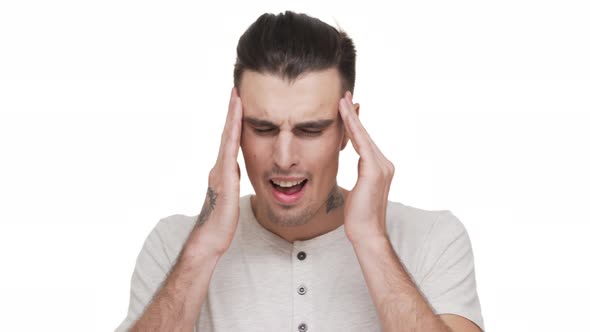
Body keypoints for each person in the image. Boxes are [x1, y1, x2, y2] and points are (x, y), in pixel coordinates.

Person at [116, 10, 484, 332]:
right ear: (235, 127)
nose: (284, 157)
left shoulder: (433, 238)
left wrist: (371, 241)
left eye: (310, 130)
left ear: (348, 128)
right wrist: (204, 248)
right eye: (263, 128)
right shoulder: (175, 244)